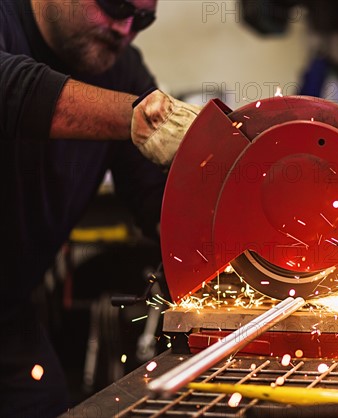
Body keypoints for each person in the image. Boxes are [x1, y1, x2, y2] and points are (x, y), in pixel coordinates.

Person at [0, 0, 199, 416]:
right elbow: (10, 87)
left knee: (46, 403)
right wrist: (135, 118)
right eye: (113, 5)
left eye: (141, 18)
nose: (124, 27)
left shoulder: (122, 70)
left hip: (9, 312)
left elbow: (156, 199)